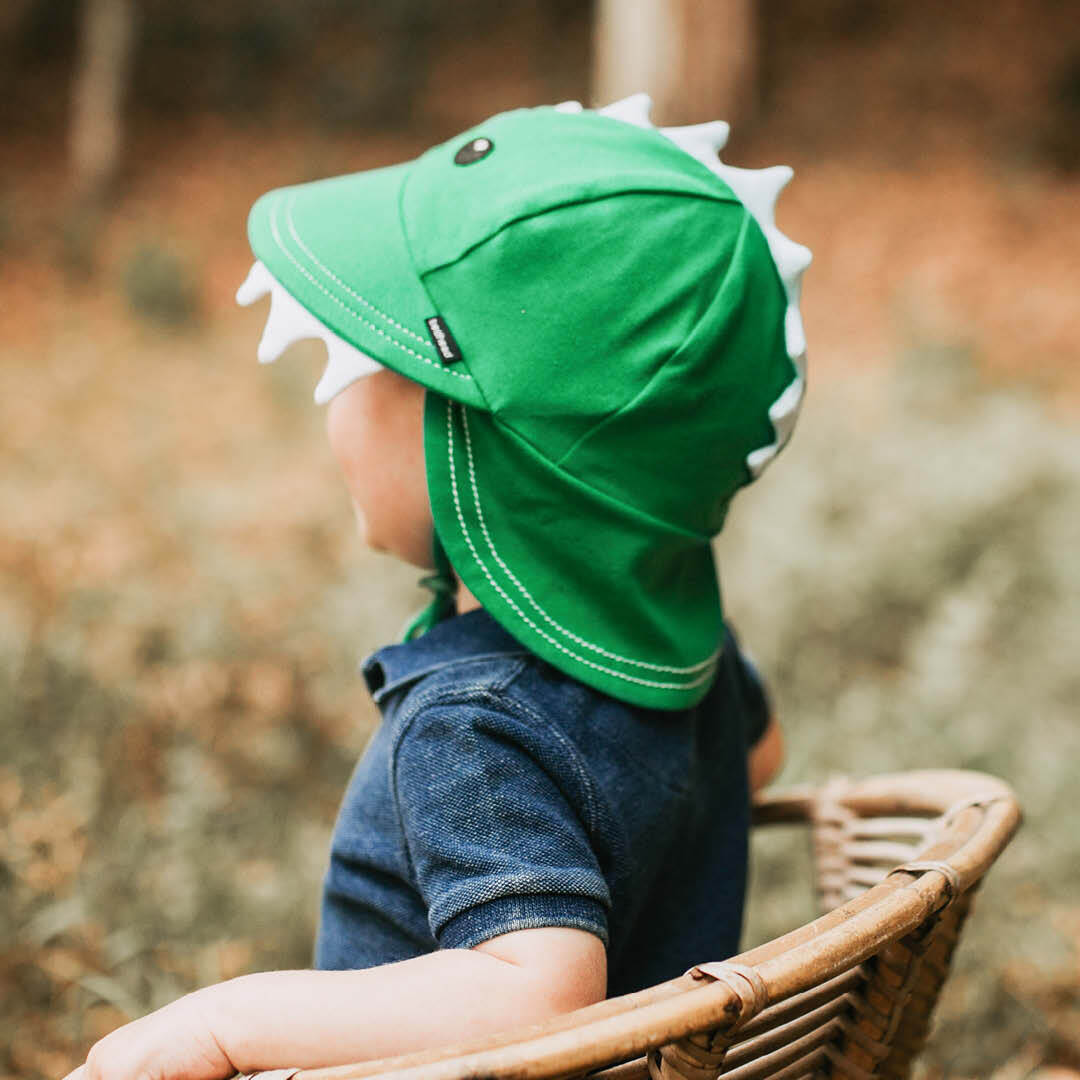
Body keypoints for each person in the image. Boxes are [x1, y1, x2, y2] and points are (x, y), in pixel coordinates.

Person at [63, 94, 808, 1080]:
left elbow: (537, 992)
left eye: (358, 363)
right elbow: (760, 759)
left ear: (479, 451)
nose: (331, 398)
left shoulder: (472, 722)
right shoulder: (681, 642)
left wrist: (221, 1025)